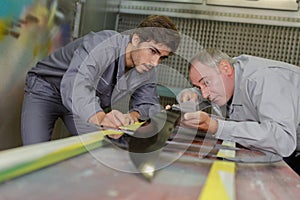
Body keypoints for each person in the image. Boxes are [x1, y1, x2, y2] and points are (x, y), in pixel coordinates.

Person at [21, 15, 180, 145]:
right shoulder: (103, 45)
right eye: (153, 51)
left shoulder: (147, 69)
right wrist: (102, 118)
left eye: (162, 58)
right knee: (35, 151)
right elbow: (76, 85)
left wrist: (131, 116)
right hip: (46, 91)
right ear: (136, 39)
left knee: (100, 146)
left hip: (85, 103)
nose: (155, 63)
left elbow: (147, 103)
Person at [178, 48, 300, 174]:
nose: (204, 94)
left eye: (206, 83)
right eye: (199, 87)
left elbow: (283, 139)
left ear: (225, 68)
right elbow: (202, 91)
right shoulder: (227, 72)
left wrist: (217, 127)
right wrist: (190, 93)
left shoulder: (265, 79)